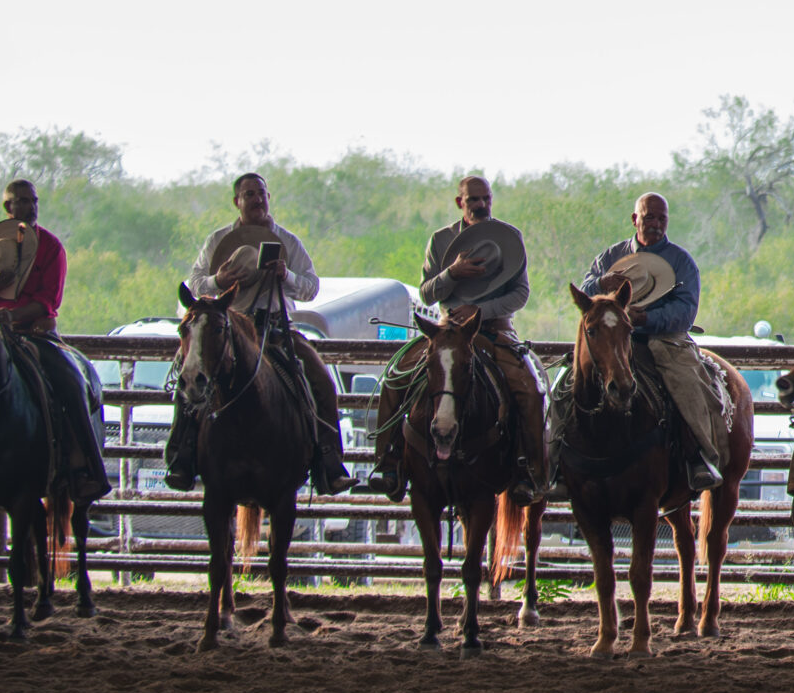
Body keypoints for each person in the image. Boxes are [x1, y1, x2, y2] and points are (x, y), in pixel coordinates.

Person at [359, 176, 548, 504]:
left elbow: (521, 293)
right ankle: (388, 464)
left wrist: (478, 309)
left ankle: (529, 470)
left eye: (485, 198)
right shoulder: (441, 239)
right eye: (473, 199)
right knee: (396, 376)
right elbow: (427, 293)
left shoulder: (509, 239)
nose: (480, 204)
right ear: (459, 202)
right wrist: (452, 273)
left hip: (495, 328)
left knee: (528, 386)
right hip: (447, 330)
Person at [163, 173, 348, 494]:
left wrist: (286, 276)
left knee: (321, 381)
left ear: (268, 197)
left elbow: (311, 287)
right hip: (228, 331)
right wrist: (217, 281)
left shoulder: (288, 242)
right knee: (189, 373)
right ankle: (182, 454)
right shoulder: (217, 240)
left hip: (276, 330)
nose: (257, 199)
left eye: (261, 193)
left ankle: (328, 461)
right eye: (249, 194)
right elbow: (194, 281)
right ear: (237, 201)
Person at [0, 179, 109, 501]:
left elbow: (47, 300)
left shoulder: (50, 246)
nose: (30, 207)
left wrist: (10, 316)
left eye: (33, 200)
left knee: (69, 380)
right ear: (7, 208)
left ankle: (88, 468)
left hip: (35, 334)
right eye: (22, 201)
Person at [581, 192, 725, 491]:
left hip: (665, 340)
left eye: (662, 218)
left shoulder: (681, 262)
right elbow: (585, 290)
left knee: (688, 381)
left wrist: (647, 318)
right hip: (614, 339)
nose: (656, 224)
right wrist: (600, 284)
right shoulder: (611, 257)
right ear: (635, 219)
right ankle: (558, 455)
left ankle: (699, 454)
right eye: (649, 217)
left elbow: (685, 310)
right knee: (572, 382)